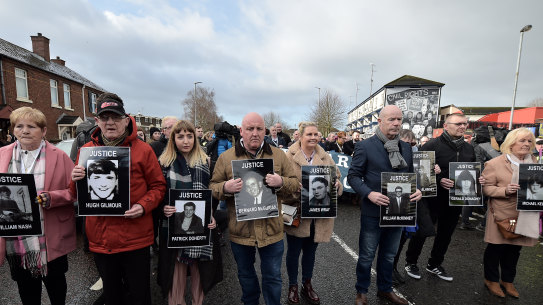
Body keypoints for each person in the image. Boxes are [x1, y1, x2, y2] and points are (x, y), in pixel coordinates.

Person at [70, 93, 165, 305]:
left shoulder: (143, 150)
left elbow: (158, 186)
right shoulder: (86, 151)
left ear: (125, 119)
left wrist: (143, 206)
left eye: (115, 117)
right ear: (97, 121)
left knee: (139, 296)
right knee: (112, 297)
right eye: (105, 118)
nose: (110, 122)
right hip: (102, 241)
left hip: (135, 238)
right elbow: (75, 195)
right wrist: (74, 179)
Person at [209, 112, 298, 305]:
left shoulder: (278, 156)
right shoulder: (226, 158)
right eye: (250, 129)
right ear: (241, 131)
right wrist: (225, 188)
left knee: (273, 277)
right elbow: (213, 187)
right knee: (246, 276)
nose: (255, 133)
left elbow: (294, 185)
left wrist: (281, 181)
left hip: (272, 230)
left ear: (265, 131)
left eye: (259, 129)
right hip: (241, 232)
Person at [0, 106, 76, 305]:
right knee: (26, 289)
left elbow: (75, 192)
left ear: (43, 131)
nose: (24, 131)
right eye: (19, 126)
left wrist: (52, 197)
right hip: (16, 237)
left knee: (56, 286)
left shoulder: (59, 156)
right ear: (13, 129)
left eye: (31, 126)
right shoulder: (2, 154)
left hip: (50, 233)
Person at [348, 105, 421, 305]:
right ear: (380, 122)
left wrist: (418, 189)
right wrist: (368, 194)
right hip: (373, 212)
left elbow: (412, 176)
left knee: (389, 255)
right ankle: (361, 292)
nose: (397, 123)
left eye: (399, 119)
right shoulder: (365, 146)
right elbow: (353, 176)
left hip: (398, 211)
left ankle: (385, 289)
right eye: (391, 119)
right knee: (366, 256)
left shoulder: (406, 147)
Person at [404, 113, 476, 282]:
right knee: (423, 231)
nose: (463, 127)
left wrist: (478, 179)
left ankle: (435, 263)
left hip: (455, 199)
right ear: (446, 125)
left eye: (465, 124)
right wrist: (439, 179)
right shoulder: (431, 144)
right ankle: (411, 262)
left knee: (446, 233)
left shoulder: (469, 148)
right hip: (431, 198)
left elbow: (471, 171)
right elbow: (418, 172)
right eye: (458, 123)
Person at [157, 119, 221, 305]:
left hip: (200, 229)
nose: (186, 141)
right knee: (174, 277)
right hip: (173, 229)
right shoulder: (163, 163)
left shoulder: (206, 162)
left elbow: (212, 195)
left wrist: (212, 216)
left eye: (189, 136)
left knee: (199, 276)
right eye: (180, 136)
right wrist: (163, 208)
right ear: (173, 139)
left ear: (195, 137)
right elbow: (157, 193)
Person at [283, 121, 343, 305]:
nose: (313, 137)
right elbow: (282, 184)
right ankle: (292, 285)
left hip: (319, 215)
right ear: (300, 136)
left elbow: (337, 177)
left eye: (316, 134)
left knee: (310, 252)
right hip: (298, 214)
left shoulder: (325, 156)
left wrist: (337, 185)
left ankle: (306, 284)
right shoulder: (288, 156)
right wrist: (296, 189)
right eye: (309, 134)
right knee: (293, 252)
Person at [481, 127, 539, 298]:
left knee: (515, 249)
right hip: (502, 213)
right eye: (522, 140)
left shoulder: (534, 163)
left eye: (529, 141)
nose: (527, 144)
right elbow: (487, 189)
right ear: (511, 143)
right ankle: (491, 279)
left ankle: (508, 280)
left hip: (525, 213)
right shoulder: (494, 163)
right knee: (496, 248)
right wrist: (505, 190)